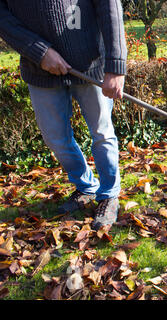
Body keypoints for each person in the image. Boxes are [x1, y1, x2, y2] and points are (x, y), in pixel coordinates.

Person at [0, 0, 127, 229]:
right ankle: (85, 185)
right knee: (55, 138)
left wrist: (116, 66)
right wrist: (39, 52)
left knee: (102, 132)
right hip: (37, 68)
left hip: (90, 64)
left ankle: (109, 194)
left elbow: (110, 7)